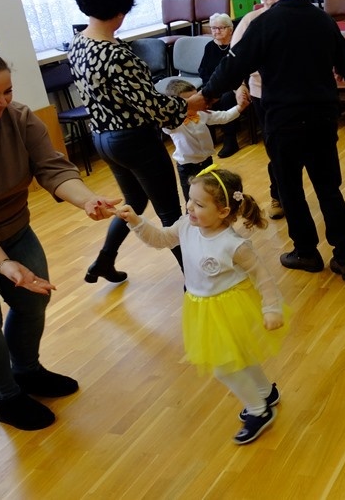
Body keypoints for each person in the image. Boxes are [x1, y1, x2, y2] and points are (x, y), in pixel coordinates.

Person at [0, 35, 119, 430]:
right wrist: (4, 264)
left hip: (14, 227)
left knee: (32, 303)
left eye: (7, 91)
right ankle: (7, 398)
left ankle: (26, 371)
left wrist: (87, 200)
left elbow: (52, 168)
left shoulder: (19, 118)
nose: (3, 102)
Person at [192, 0, 345, 281]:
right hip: (323, 119)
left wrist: (206, 95)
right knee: (329, 189)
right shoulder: (324, 21)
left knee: (290, 189)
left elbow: (232, 67)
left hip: (284, 122)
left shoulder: (264, 24)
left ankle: (306, 252)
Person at [113, 166, 287, 445]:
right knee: (239, 355)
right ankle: (266, 393)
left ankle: (259, 410)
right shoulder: (186, 226)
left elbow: (262, 275)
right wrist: (136, 221)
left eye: (199, 204)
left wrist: (271, 307)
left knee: (224, 366)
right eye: (189, 200)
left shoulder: (233, 244)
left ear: (223, 212)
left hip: (231, 308)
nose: (190, 208)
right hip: (203, 307)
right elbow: (160, 239)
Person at [69, 0, 188, 282]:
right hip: (134, 139)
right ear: (120, 11)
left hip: (102, 138)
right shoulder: (117, 54)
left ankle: (104, 261)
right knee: (170, 212)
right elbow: (153, 107)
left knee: (134, 202)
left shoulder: (78, 44)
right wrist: (187, 106)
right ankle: (195, 280)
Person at [231, 0, 283, 220]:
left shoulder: (292, 17)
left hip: (296, 93)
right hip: (262, 92)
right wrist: (239, 86)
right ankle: (278, 195)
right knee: (274, 147)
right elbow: (234, 59)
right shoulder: (250, 20)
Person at [163, 78, 248, 200]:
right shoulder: (173, 124)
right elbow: (163, 120)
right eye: (190, 101)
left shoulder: (201, 114)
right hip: (187, 167)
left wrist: (240, 107)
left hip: (207, 161)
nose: (196, 103)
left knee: (209, 194)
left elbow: (223, 117)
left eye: (196, 98)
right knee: (191, 198)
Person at [198, 13, 242, 159]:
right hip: (214, 85)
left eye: (220, 28)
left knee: (227, 98)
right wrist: (209, 87)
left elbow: (241, 71)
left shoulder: (237, 44)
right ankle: (207, 139)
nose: (216, 31)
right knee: (201, 96)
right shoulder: (210, 47)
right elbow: (203, 70)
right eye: (213, 28)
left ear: (230, 29)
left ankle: (230, 140)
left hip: (235, 85)